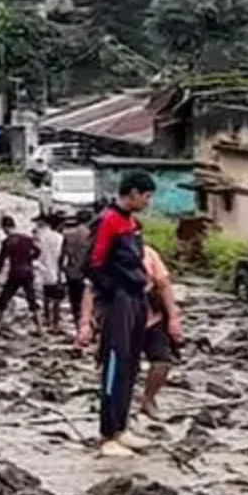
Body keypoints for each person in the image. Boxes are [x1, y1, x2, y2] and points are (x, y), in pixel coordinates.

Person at [75, 171, 157, 458]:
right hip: (117, 301)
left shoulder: (132, 223)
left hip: (136, 298)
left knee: (131, 364)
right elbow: (92, 265)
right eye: (146, 196)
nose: (148, 202)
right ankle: (107, 434)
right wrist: (112, 294)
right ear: (133, 193)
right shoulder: (108, 220)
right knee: (114, 363)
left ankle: (122, 428)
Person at [137, 243, 186, 423]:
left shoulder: (148, 253)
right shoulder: (108, 253)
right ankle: (119, 408)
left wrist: (173, 317)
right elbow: (92, 289)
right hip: (123, 321)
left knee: (162, 361)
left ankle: (148, 399)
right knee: (123, 366)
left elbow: (164, 284)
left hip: (153, 317)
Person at [0, 215, 39, 321]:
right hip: (28, 272)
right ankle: (40, 328)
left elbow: (0, 262)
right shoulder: (27, 238)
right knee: (31, 299)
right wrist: (29, 258)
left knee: (4, 298)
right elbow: (38, 251)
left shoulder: (7, 242)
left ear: (4, 227)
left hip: (15, 273)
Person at [59, 214, 93, 333]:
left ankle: (78, 328)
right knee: (88, 303)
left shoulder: (68, 235)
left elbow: (62, 255)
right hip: (86, 274)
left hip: (72, 273)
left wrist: (61, 270)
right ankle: (88, 330)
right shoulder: (90, 235)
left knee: (75, 302)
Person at [32, 214, 66, 333]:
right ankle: (55, 323)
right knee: (57, 300)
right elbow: (63, 255)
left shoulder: (42, 237)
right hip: (57, 269)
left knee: (47, 296)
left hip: (43, 269)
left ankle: (47, 318)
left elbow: (36, 252)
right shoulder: (60, 238)